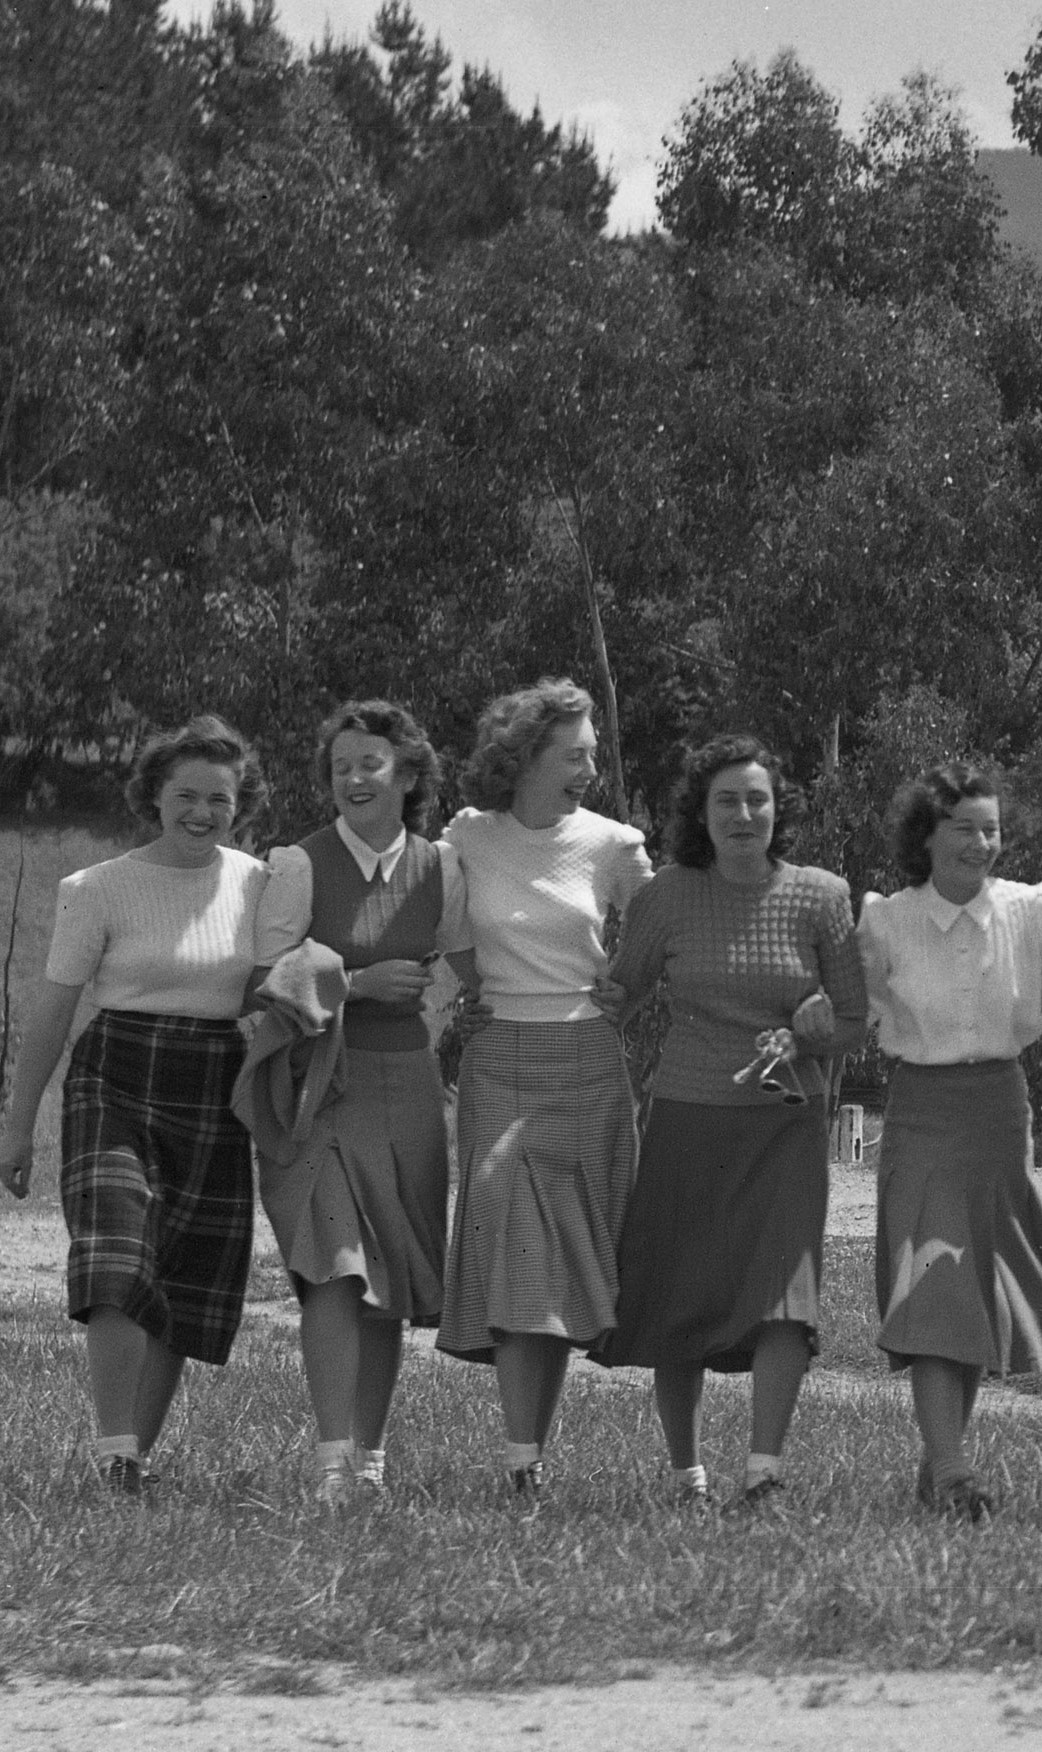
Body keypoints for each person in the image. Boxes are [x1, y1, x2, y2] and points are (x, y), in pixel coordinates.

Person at [0, 716, 269, 1494]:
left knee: (183, 1276)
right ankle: (113, 1445)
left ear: (239, 805)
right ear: (154, 795)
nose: (201, 813)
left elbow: (278, 989)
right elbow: (53, 1011)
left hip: (214, 1082)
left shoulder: (262, 885)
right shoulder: (97, 888)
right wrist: (17, 1128)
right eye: (185, 795)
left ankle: (130, 1467)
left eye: (218, 799)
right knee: (116, 1256)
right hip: (115, 1078)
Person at [604, 732, 867, 1509]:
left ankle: (763, 1473)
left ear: (779, 809)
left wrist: (815, 1029)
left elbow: (855, 1018)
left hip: (787, 1125)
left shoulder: (823, 896)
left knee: (786, 1295)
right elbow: (622, 996)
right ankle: (687, 1476)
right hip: (687, 1120)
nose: (744, 814)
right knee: (679, 1297)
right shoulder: (666, 896)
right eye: (728, 801)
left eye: (758, 799)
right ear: (703, 811)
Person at [248, 699, 470, 1505]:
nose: (352, 779)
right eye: (340, 767)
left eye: (368, 764)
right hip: (320, 1085)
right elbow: (261, 980)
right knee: (336, 1268)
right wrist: (355, 981)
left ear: (408, 774)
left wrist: (447, 1012)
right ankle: (330, 1463)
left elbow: (469, 968)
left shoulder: (443, 868)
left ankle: (369, 1462)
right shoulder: (299, 865)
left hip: (407, 1087)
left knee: (390, 1282)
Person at [435, 677, 653, 1498]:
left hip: (588, 1064)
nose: (591, 770)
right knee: (510, 1230)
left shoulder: (614, 845)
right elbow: (449, 927)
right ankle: (522, 1455)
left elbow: (662, 929)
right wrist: (472, 990)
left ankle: (527, 1458)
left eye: (592, 755)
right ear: (524, 756)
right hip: (496, 1063)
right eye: (574, 755)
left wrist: (628, 993)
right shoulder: (467, 837)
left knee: (557, 1255)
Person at [857, 762, 1042, 1522]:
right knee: (936, 1276)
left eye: (991, 829)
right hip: (922, 1112)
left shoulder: (1029, 910)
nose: (981, 843)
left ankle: (940, 1467)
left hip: (1000, 1112)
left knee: (975, 1292)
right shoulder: (886, 921)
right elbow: (850, 1007)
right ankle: (955, 1471)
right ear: (926, 836)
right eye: (963, 827)